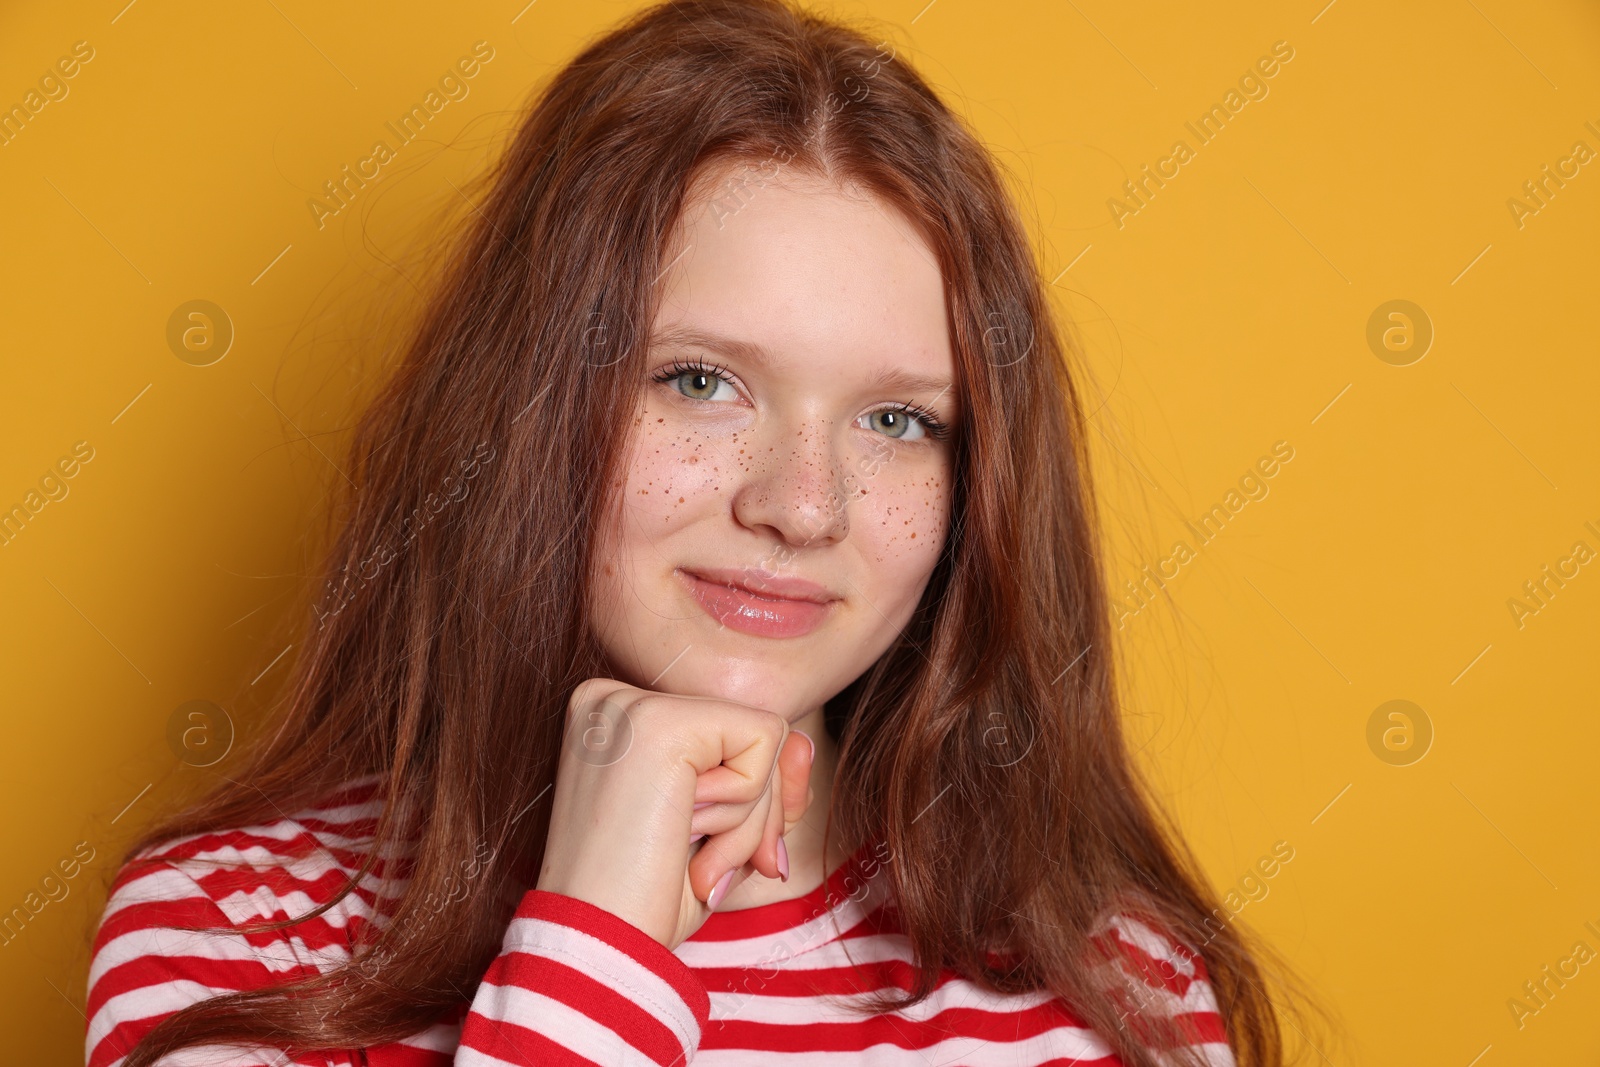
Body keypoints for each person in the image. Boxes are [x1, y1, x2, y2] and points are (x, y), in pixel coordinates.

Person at [84, 1, 1317, 1064]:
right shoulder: (236, 931)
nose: (800, 504)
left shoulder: (1104, 991)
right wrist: (593, 947)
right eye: (697, 381)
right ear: (524, 406)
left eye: (896, 418)